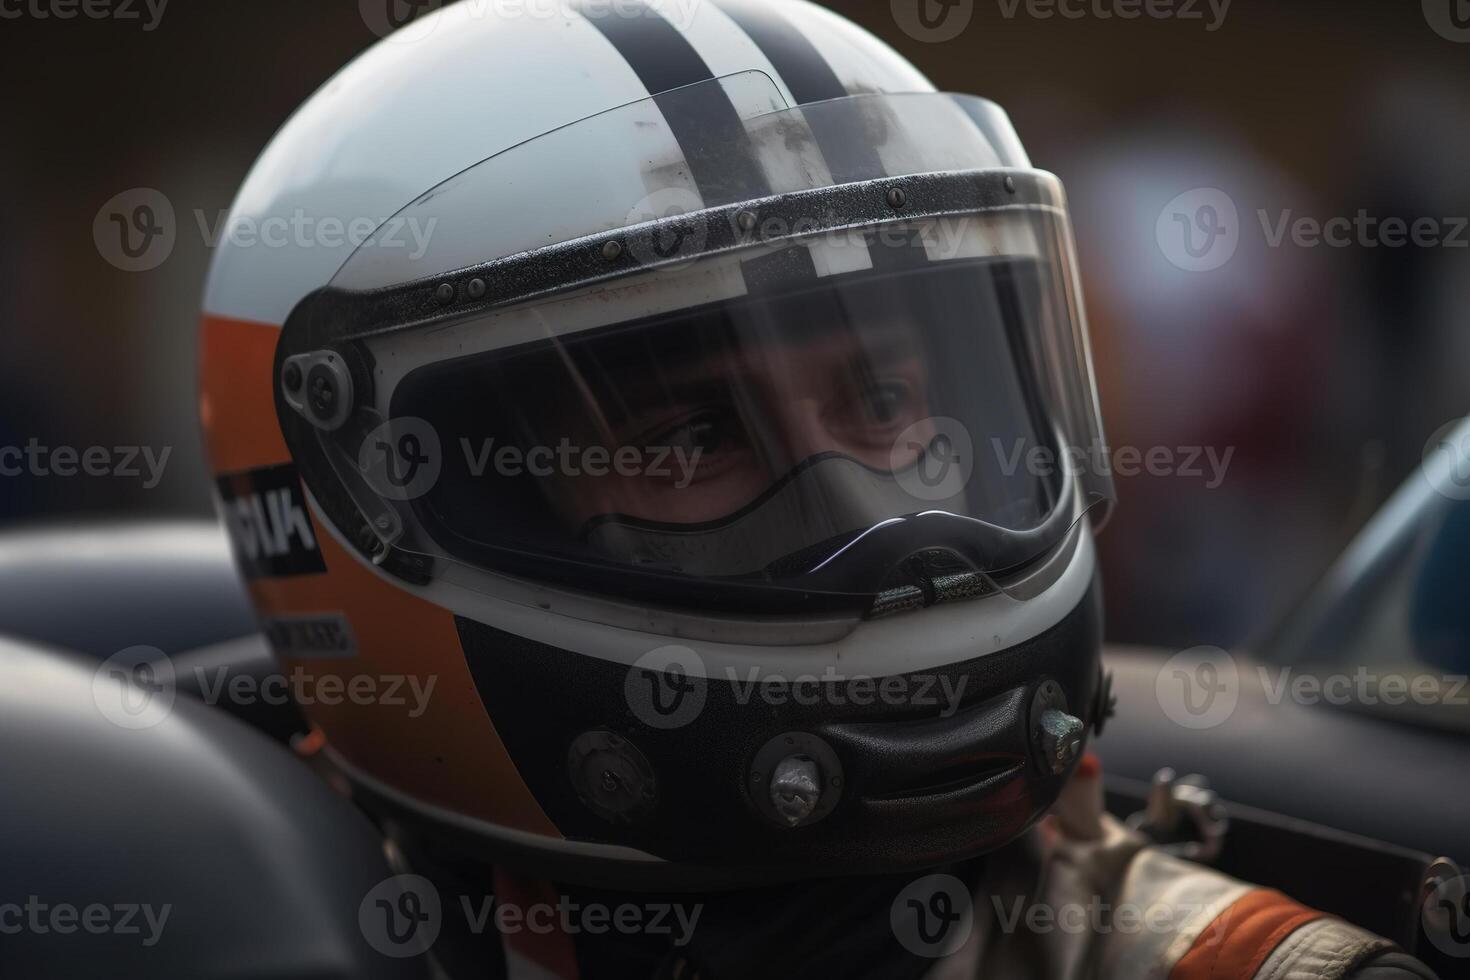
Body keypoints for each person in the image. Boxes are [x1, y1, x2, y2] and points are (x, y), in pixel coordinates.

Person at [197, 1, 1440, 976]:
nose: (877, 521)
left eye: (889, 402)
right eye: (686, 438)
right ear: (363, 503)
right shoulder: (202, 920)